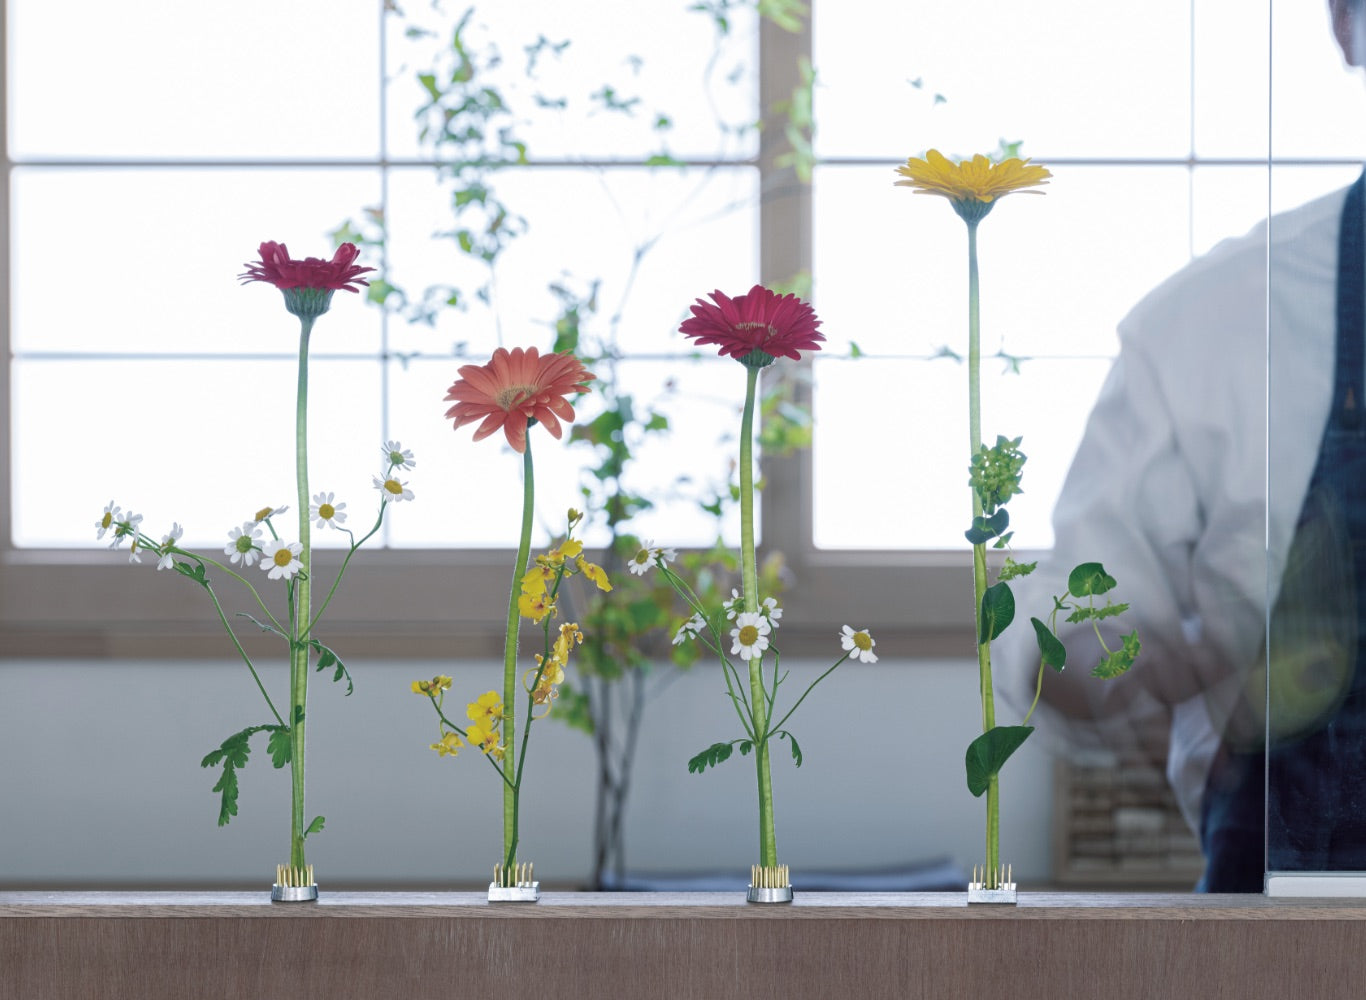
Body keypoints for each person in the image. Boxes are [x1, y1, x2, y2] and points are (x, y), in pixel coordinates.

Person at [998, 0, 1366, 892]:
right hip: (1289, 938)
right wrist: (1102, 662)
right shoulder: (1215, 322)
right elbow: (1073, 622)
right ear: (1346, 24)